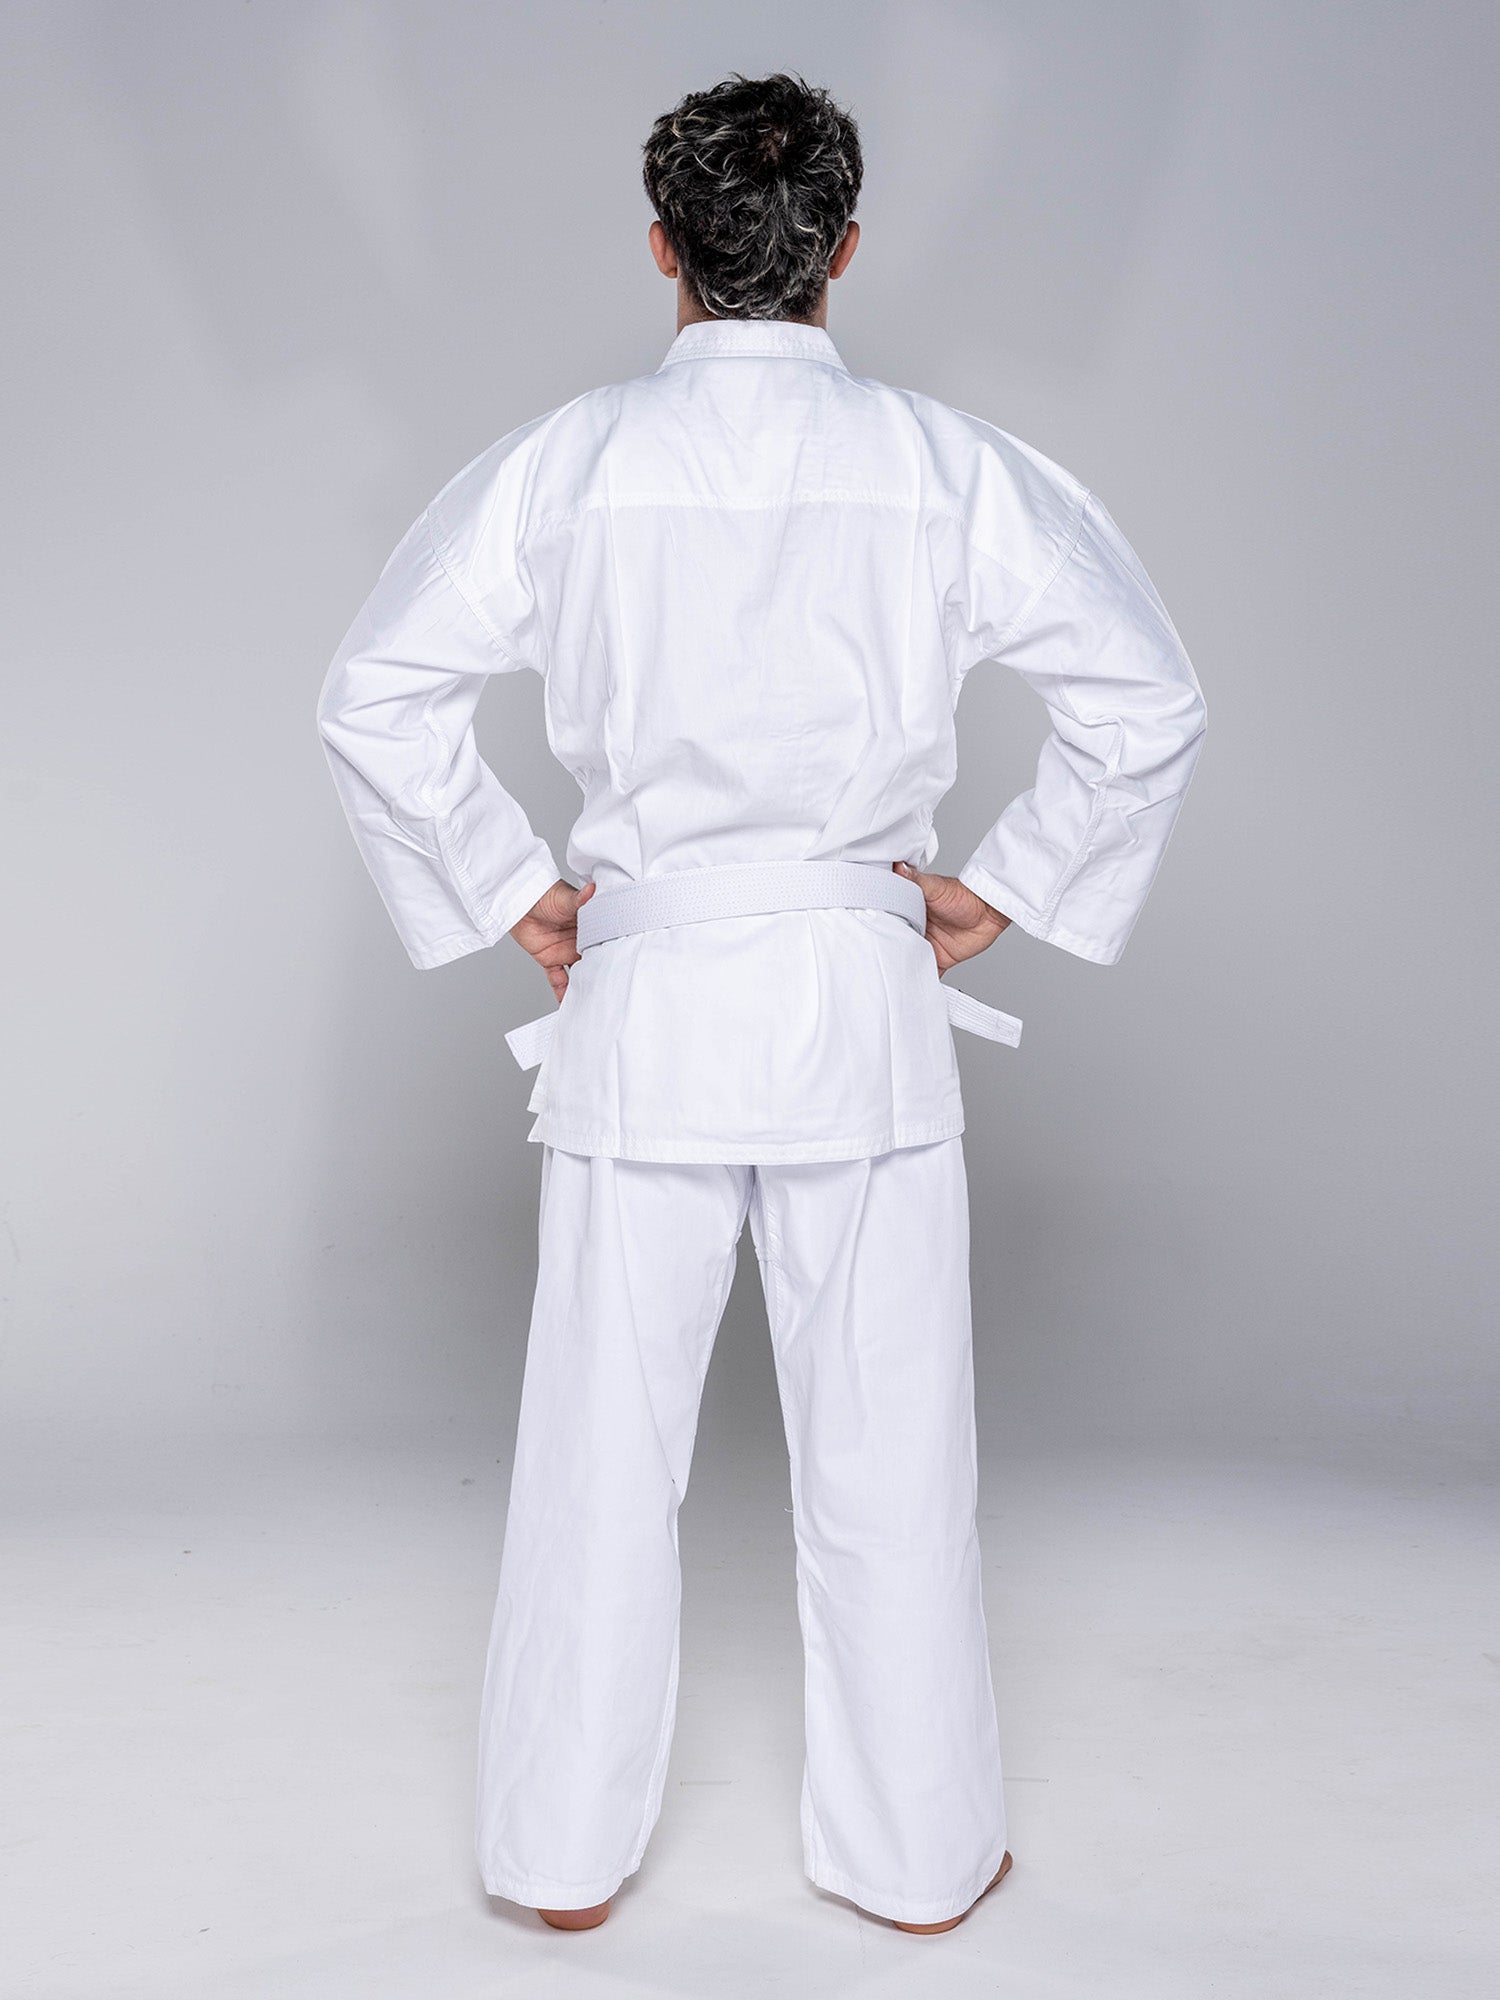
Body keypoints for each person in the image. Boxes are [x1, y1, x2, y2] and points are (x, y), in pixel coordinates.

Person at [316, 71, 1207, 1937]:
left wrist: (513, 890)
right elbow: (1147, 696)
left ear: (661, 248)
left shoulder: (567, 466)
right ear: (847, 252)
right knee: (892, 1459)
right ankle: (915, 1855)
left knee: (592, 1462)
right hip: (857, 1002)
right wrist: (1011, 882)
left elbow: (374, 696)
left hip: (647, 1003)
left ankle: (557, 1862)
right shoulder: (948, 470)